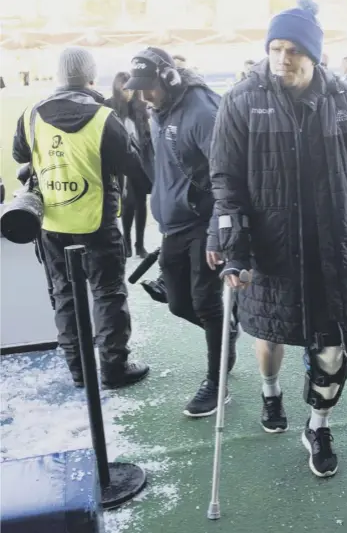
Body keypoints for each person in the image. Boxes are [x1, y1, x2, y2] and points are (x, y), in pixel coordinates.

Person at [208, 0, 347, 477]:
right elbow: (225, 181)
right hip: (271, 247)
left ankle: (318, 423)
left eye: (293, 50)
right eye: (275, 48)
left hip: (328, 247)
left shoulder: (345, 99)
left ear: (314, 55)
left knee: (332, 348)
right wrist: (235, 251)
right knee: (270, 334)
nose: (282, 59)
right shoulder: (242, 99)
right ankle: (271, 391)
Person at [12, 46, 149, 389]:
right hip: (98, 223)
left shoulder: (31, 115)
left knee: (64, 295)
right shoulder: (105, 118)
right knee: (108, 294)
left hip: (52, 224)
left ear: (59, 77)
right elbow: (135, 170)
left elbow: (20, 154)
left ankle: (78, 370)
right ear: (91, 77)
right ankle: (114, 368)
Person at [124, 47, 239, 417]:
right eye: (138, 88)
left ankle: (217, 382)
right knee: (177, 304)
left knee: (206, 303)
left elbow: (229, 176)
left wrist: (217, 234)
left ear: (170, 78)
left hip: (203, 224)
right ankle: (226, 329)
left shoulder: (203, 111)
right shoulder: (159, 109)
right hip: (173, 226)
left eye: (149, 86)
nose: (143, 95)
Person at [105, 72, 153, 258]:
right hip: (120, 163)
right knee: (127, 202)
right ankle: (126, 242)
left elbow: (146, 134)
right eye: (125, 89)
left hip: (140, 161)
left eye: (131, 89)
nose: (129, 93)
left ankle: (139, 244)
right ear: (117, 88)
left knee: (141, 202)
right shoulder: (109, 106)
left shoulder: (140, 107)